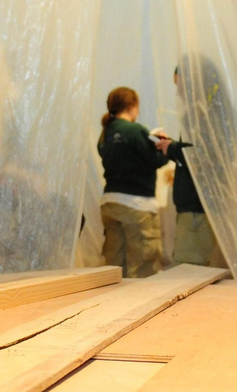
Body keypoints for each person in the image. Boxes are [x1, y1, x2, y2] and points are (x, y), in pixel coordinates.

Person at [98, 86, 171, 278]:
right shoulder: (135, 130)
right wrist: (163, 143)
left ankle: (113, 306)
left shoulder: (105, 133)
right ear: (132, 106)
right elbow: (157, 160)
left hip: (110, 203)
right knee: (143, 268)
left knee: (115, 268)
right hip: (137, 206)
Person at [168, 63, 229, 270]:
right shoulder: (213, 113)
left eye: (180, 85)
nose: (178, 93)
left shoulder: (205, 115)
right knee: (192, 268)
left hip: (197, 208)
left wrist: (171, 148)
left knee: (188, 271)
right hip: (197, 206)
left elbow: (203, 157)